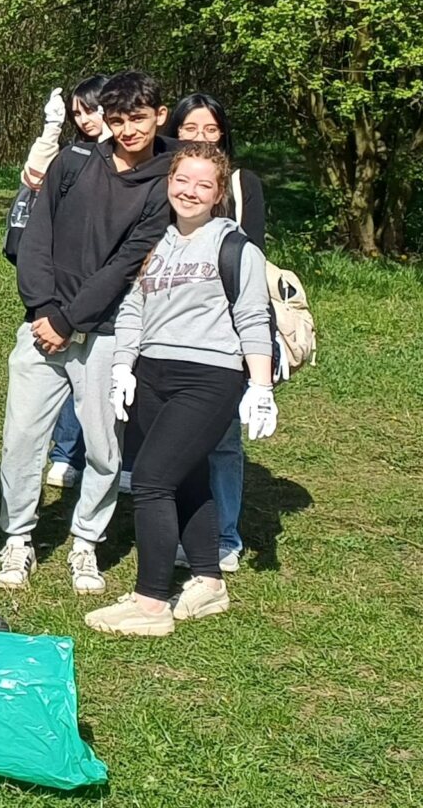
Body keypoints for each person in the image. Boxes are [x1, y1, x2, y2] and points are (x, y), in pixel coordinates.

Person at [85, 141, 277, 636]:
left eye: (203, 184)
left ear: (218, 194)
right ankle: (209, 582)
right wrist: (123, 366)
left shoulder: (235, 247)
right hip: (151, 374)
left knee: (150, 481)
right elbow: (132, 310)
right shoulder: (157, 242)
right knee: (186, 478)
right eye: (182, 180)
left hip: (209, 378)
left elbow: (254, 318)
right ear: (169, 182)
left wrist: (260, 387)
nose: (190, 191)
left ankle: (151, 604)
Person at [0, 70, 175, 596]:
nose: (127, 130)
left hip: (109, 332)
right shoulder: (73, 162)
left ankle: (85, 542)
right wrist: (45, 310)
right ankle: (18, 538)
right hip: (42, 324)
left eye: (138, 118)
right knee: (22, 439)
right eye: (116, 120)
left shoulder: (166, 182)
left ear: (160, 116)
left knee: (102, 448)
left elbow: (126, 264)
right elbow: (36, 235)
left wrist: (71, 321)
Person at [172, 91, 267, 573]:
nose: (202, 137)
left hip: (223, 331)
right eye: (191, 129)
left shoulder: (241, 184)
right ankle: (181, 530)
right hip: (166, 329)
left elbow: (252, 257)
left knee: (223, 439)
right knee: (172, 437)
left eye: (211, 130)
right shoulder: (164, 181)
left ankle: (224, 536)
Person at [31, 75, 107, 488]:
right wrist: (50, 131)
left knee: (103, 381)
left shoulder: (131, 154)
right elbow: (34, 176)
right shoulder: (73, 154)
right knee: (67, 365)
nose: (85, 120)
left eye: (90, 109)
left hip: (114, 283)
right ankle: (64, 453)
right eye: (77, 113)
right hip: (66, 277)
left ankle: (111, 458)